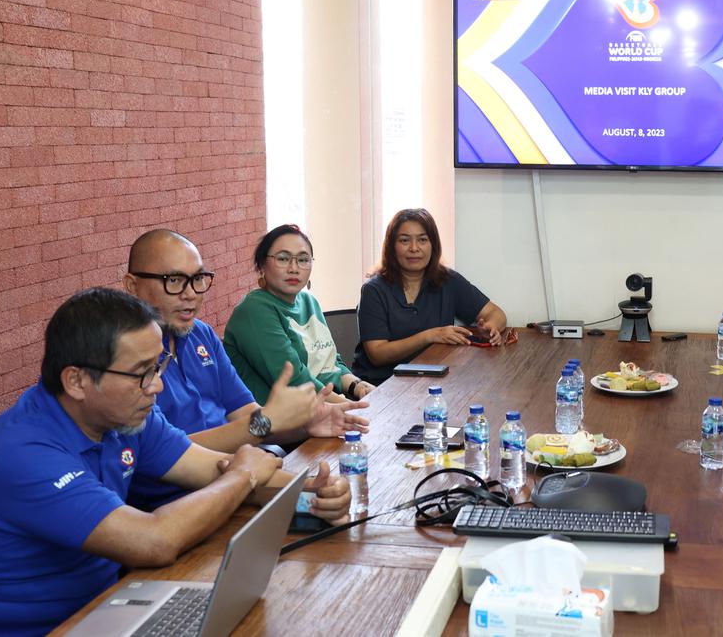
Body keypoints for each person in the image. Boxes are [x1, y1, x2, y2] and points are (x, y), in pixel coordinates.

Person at [0, 288, 351, 636]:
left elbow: (210, 469)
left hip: (105, 611)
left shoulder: (126, 417)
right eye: (141, 373)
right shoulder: (20, 453)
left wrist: (308, 493)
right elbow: (154, 540)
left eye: (159, 365)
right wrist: (243, 474)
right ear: (76, 380)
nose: (157, 385)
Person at [122, 229, 370, 509]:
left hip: (238, 480)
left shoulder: (201, 335)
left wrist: (303, 427)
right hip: (178, 501)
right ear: (132, 285)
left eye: (198, 279)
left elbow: (249, 417)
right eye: (175, 281)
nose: (190, 294)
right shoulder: (123, 359)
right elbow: (172, 453)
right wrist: (268, 425)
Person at [224, 224, 378, 407]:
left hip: (320, 411)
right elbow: (294, 379)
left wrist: (357, 386)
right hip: (279, 427)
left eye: (303, 260)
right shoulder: (254, 309)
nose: (294, 268)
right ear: (262, 265)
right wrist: (352, 408)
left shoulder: (308, 301)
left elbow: (329, 362)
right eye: (283, 259)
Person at [352, 208, 508, 385]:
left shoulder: (448, 280)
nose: (414, 248)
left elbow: (496, 313)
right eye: (404, 240)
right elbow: (377, 354)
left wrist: (491, 327)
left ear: (433, 245)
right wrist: (430, 335)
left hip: (433, 381)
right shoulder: (374, 290)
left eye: (422, 240)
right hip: (382, 384)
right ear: (391, 246)